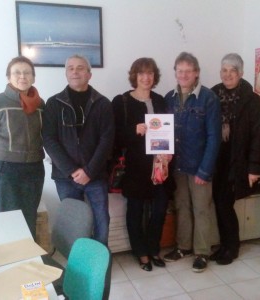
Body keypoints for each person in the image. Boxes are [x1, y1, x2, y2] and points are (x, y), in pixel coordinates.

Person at [42, 54, 115, 246]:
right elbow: (49, 140)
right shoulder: (53, 104)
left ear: (89, 74)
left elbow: (107, 140)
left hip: (96, 176)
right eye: (71, 68)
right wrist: (72, 170)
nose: (75, 71)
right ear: (66, 74)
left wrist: (89, 171)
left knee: (101, 220)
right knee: (73, 223)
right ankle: (78, 263)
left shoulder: (103, 104)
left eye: (80, 68)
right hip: (65, 177)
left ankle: (99, 263)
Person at [112, 57, 172, 272]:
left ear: (154, 76)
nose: (146, 77)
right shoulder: (121, 102)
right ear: (134, 76)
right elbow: (114, 137)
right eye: (141, 73)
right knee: (135, 211)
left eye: (150, 73)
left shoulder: (161, 100)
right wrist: (133, 131)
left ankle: (154, 249)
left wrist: (170, 146)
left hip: (160, 166)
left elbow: (167, 131)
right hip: (135, 168)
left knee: (159, 210)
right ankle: (141, 253)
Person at [163, 52, 221, 273]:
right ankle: (183, 247)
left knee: (201, 209)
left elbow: (214, 138)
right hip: (177, 165)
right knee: (182, 207)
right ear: (175, 73)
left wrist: (205, 170)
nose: (184, 75)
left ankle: (202, 252)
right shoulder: (169, 97)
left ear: (196, 73)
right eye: (180, 71)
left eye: (188, 71)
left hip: (199, 167)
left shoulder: (209, 98)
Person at [0, 56, 45, 238]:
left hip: (35, 169)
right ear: (8, 77)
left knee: (29, 218)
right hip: (6, 171)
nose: (22, 76)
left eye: (27, 72)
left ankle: (29, 262)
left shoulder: (41, 105)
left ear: (33, 77)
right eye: (17, 72)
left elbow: (46, 136)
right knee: (6, 223)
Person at [210, 53, 260, 265]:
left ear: (241, 73)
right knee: (218, 203)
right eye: (224, 70)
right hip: (217, 161)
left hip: (238, 161)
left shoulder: (251, 99)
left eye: (233, 70)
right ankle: (224, 245)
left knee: (226, 205)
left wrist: (254, 168)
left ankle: (232, 248)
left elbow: (258, 135)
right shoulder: (213, 94)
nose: (228, 74)